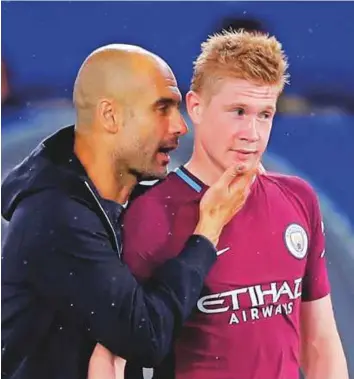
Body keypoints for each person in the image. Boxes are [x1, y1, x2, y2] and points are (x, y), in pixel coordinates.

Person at [96, 31, 349, 379]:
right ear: (196, 107)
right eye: (239, 111)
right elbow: (110, 358)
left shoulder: (298, 199)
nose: (252, 133)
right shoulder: (150, 213)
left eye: (265, 114)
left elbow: (319, 342)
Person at [1, 44, 259, 379]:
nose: (180, 126)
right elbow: (145, 336)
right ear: (110, 116)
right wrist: (207, 231)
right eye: (162, 108)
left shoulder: (132, 203)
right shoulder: (57, 216)